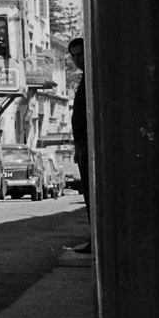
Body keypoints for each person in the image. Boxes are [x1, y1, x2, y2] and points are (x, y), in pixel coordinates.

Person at [68, 36, 91, 252]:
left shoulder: (92, 77)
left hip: (89, 144)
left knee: (92, 194)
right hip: (82, 144)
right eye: (73, 56)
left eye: (80, 54)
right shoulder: (85, 78)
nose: (77, 59)